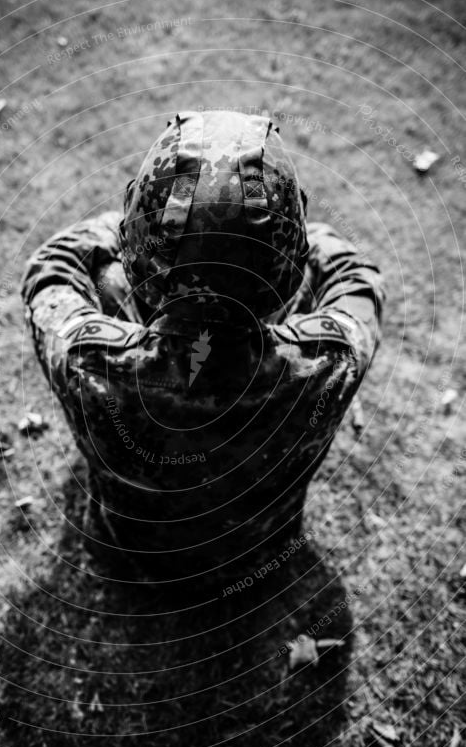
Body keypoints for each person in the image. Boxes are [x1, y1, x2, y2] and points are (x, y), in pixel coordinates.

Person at [22, 110, 384, 581]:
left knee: (107, 280)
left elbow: (52, 267)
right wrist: (266, 235)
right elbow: (355, 275)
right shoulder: (332, 360)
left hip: (130, 560)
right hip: (259, 560)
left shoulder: (85, 361)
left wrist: (143, 228)